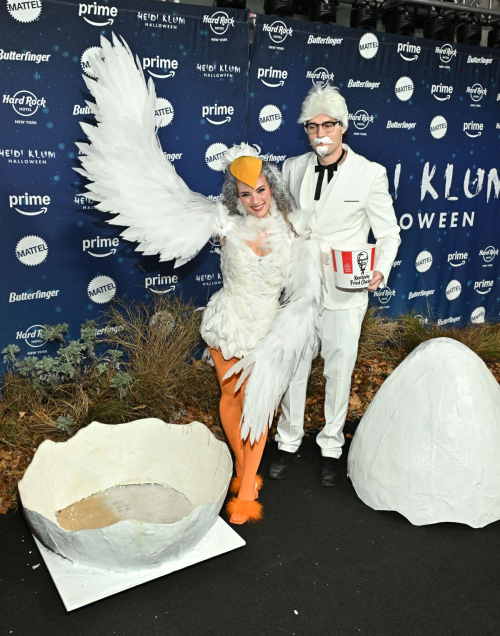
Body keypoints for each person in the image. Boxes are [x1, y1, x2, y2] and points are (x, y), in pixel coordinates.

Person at [75, 35, 295, 525]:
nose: (254, 199)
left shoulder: (297, 230)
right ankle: (244, 470)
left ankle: (245, 495)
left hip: (269, 331)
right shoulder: (221, 222)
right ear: (233, 194)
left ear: (271, 187)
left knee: (260, 408)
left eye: (260, 190)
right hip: (228, 323)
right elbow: (158, 192)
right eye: (245, 192)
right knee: (231, 400)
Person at [268, 84, 401, 487]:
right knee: (294, 366)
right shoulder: (292, 168)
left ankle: (331, 446)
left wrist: (380, 269)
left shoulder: (369, 173)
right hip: (299, 288)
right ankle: (287, 441)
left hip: (346, 289)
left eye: (328, 125)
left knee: (339, 370)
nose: (320, 133)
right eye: (312, 126)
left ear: (343, 127)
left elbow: (389, 233)